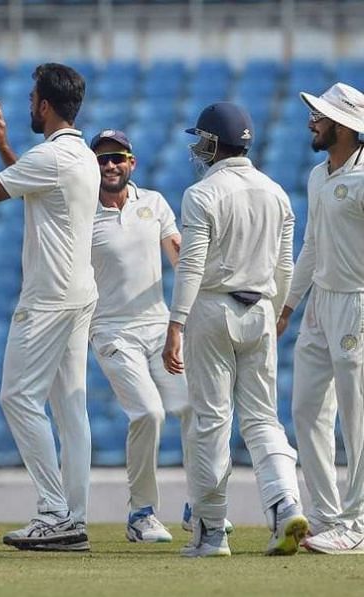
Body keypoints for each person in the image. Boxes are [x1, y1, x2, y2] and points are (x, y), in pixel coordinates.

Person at [0, 63, 98, 551]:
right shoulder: (78, 155)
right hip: (79, 294)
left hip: (49, 298)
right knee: (70, 410)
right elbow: (38, 186)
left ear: (44, 105)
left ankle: (55, 513)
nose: (27, 104)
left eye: (32, 97)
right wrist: (2, 147)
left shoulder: (53, 157)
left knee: (17, 398)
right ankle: (73, 517)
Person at [162, 102, 308, 557]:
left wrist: (176, 324)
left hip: (212, 310)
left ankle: (211, 532)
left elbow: (191, 266)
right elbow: (284, 266)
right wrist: (279, 314)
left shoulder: (202, 194)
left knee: (211, 422)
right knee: (264, 419)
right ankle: (285, 506)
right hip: (261, 310)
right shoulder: (277, 192)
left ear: (210, 143)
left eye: (200, 139)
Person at [87, 129, 193, 543]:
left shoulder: (154, 203)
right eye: (101, 159)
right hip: (112, 330)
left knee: (193, 407)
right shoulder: (83, 213)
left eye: (117, 157)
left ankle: (200, 503)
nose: (110, 165)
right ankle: (141, 513)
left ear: (132, 162)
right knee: (149, 412)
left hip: (158, 326)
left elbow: (180, 256)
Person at [277, 82, 364, 554]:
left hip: (358, 303)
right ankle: (330, 516)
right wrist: (288, 306)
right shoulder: (317, 175)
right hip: (319, 306)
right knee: (307, 409)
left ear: (346, 125)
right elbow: (310, 246)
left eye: (321, 116)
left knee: (357, 418)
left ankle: (359, 523)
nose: (312, 121)